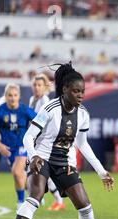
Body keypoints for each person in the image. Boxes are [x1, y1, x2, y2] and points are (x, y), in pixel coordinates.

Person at [2, 62, 114, 219]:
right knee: (34, 196)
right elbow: (28, 137)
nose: (80, 95)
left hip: (65, 162)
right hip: (42, 158)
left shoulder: (83, 115)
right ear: (64, 90)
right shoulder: (50, 108)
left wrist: (101, 171)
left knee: (85, 206)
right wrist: (34, 155)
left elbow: (83, 145)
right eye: (76, 91)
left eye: (82, 91)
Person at [0, 84, 37, 208]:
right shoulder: (0, 110)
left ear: (19, 96)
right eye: (10, 95)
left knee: (16, 172)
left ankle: (21, 203)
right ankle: (35, 192)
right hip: (8, 150)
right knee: (19, 177)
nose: (12, 98)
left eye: (15, 95)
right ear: (5, 96)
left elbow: (39, 121)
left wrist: (34, 138)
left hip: (22, 146)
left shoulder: (24, 110)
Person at [30, 73, 66, 211]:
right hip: (35, 140)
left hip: (43, 141)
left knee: (42, 170)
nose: (36, 88)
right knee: (38, 171)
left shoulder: (45, 101)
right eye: (35, 85)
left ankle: (56, 200)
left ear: (44, 87)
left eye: (39, 85)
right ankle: (44, 197)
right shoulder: (32, 99)